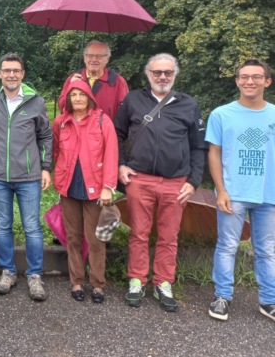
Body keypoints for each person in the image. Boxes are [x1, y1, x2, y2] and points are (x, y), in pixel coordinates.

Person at [115, 53, 206, 312]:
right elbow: (117, 134)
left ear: (175, 75)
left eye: (168, 72)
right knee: (139, 233)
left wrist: (194, 181)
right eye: (157, 72)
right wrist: (120, 164)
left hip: (176, 181)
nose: (162, 77)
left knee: (169, 235)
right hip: (139, 178)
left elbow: (198, 146)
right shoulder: (133, 99)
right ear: (148, 74)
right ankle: (136, 280)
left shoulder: (188, 104)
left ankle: (163, 282)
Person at [206, 59, 275, 322]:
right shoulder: (221, 114)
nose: (249, 81)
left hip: (269, 194)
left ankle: (269, 301)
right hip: (233, 193)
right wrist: (221, 190)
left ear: (267, 81)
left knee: (267, 250)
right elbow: (214, 153)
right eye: (244, 77)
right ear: (237, 81)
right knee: (227, 246)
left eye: (256, 77)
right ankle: (222, 297)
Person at [0, 53, 52, 301]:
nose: (11, 75)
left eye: (16, 71)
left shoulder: (36, 101)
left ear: (22, 74)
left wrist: (46, 167)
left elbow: (45, 136)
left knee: (32, 227)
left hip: (29, 176)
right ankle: (8, 272)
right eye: (7, 70)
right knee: (3, 226)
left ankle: (34, 275)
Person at [52, 80, 118, 303]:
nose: (78, 99)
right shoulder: (61, 122)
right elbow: (55, 151)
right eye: (73, 95)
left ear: (89, 98)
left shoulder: (102, 120)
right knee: (73, 237)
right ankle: (77, 281)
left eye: (82, 94)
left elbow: (111, 154)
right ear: (68, 99)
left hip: (95, 188)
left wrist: (108, 187)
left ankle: (98, 284)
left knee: (95, 238)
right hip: (69, 186)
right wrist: (58, 177)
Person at [58, 40, 128, 121]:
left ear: (107, 59)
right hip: (78, 128)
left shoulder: (117, 81)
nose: (94, 59)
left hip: (106, 128)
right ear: (84, 58)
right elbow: (62, 108)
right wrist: (71, 87)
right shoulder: (73, 79)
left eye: (99, 56)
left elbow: (125, 113)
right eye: (90, 56)